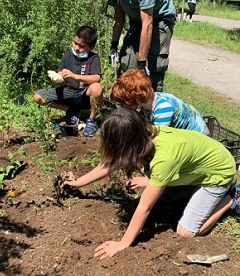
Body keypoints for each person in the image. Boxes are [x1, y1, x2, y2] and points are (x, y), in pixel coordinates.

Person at [62, 109, 236, 259]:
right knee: (165, 200)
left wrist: (123, 243)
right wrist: (78, 183)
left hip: (218, 173)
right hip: (196, 168)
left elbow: (144, 207)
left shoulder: (164, 157)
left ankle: (231, 199)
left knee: (186, 233)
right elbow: (109, 163)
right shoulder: (145, 136)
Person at [82, 0, 176, 92]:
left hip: (158, 21)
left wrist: (142, 63)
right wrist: (114, 46)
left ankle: (150, 111)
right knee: (126, 65)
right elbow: (119, 16)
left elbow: (148, 23)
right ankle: (125, 112)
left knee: (150, 69)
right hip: (137, 22)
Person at [32, 25, 103, 137]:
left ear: (91, 47)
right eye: (75, 43)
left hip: (85, 94)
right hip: (69, 92)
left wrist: (74, 76)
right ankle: (71, 111)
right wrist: (57, 78)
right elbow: (61, 73)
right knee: (38, 96)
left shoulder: (93, 58)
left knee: (97, 88)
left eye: (81, 46)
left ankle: (91, 120)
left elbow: (96, 78)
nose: (76, 47)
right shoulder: (68, 55)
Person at [111, 69, 207, 134]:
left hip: (197, 137)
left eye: (125, 103)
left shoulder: (163, 109)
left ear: (136, 99)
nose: (124, 106)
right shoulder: (148, 101)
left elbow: (158, 139)